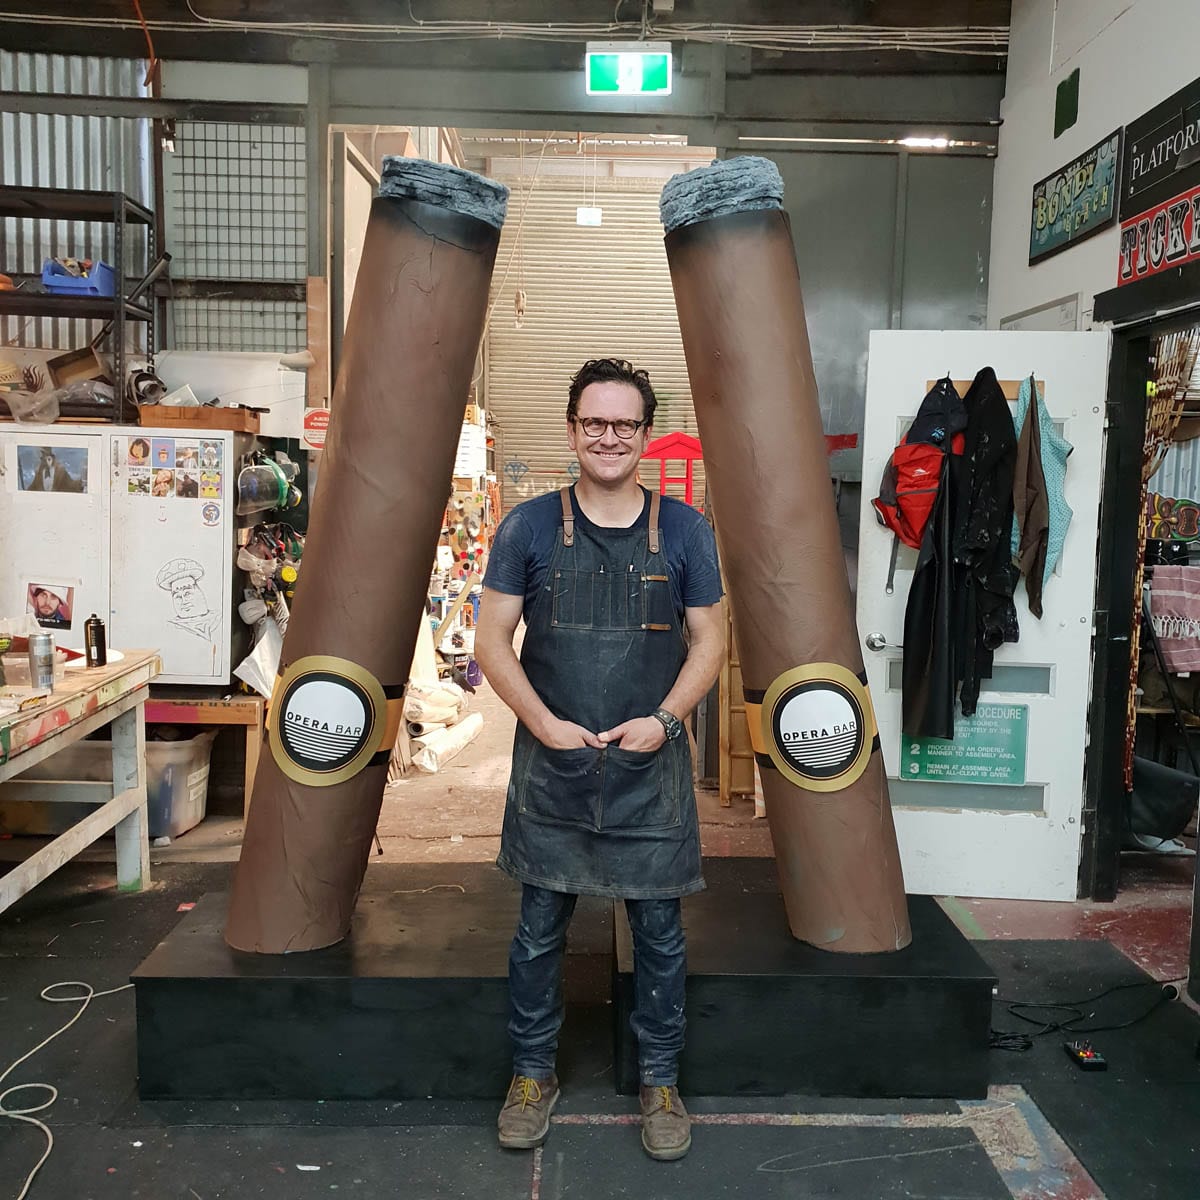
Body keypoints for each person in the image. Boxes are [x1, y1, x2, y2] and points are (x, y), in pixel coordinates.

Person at [474, 358, 725, 1162]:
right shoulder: (526, 528)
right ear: (572, 429)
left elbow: (711, 640)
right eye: (594, 422)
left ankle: (660, 1080)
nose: (608, 437)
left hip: (650, 770)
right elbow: (490, 641)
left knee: (659, 935)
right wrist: (542, 723)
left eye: (624, 424)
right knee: (537, 934)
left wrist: (666, 719)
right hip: (554, 769)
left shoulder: (684, 531)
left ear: (645, 434)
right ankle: (531, 1074)